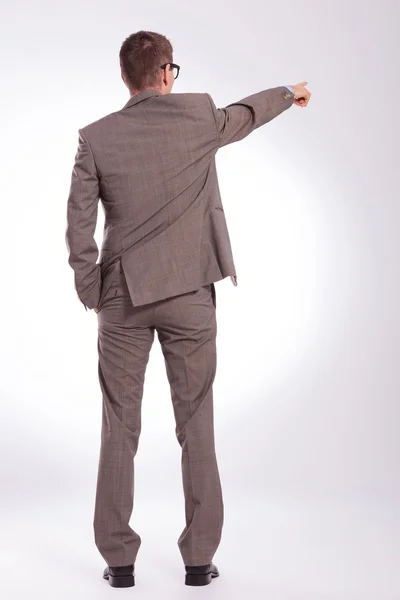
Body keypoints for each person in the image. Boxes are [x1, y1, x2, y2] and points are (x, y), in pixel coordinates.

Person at [65, 30, 311, 588]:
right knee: (196, 421)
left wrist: (92, 289)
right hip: (189, 297)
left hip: (122, 300)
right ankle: (199, 560)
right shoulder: (199, 117)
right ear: (168, 73)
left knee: (118, 428)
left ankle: (119, 561)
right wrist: (290, 91)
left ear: (126, 79)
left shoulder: (96, 138)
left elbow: (78, 224)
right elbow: (248, 113)